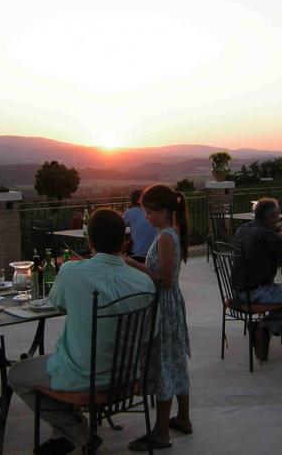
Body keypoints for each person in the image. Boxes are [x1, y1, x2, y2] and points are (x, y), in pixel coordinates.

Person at [8, 209, 155, 455]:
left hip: (84, 378)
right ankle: (67, 433)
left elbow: (57, 303)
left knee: (18, 374)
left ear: (90, 241)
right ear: (124, 241)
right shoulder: (144, 282)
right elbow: (150, 333)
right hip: (129, 376)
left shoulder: (70, 272)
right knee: (70, 354)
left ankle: (79, 434)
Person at [124, 184, 192, 451]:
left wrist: (134, 265)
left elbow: (163, 280)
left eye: (149, 212)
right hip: (172, 305)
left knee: (163, 364)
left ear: (163, 212)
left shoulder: (165, 237)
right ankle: (183, 418)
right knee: (175, 361)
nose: (146, 218)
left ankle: (161, 432)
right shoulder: (170, 233)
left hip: (164, 306)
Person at [231, 197, 282, 335]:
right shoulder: (266, 235)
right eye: (278, 214)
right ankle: (264, 327)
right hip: (256, 293)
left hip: (236, 291)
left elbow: (261, 238)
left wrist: (275, 228)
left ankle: (264, 328)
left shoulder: (243, 229)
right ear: (271, 216)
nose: (279, 217)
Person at [123, 189, 157, 262]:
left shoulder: (129, 213)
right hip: (155, 253)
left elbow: (117, 226)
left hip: (139, 254)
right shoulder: (154, 212)